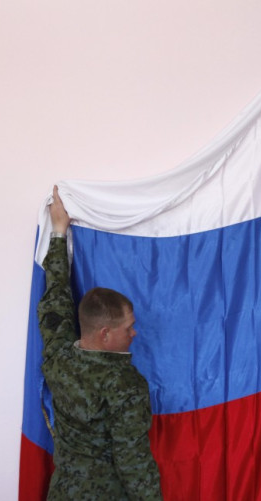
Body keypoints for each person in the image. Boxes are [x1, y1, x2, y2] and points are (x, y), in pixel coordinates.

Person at [38, 186, 163, 500]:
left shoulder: (58, 358)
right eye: (129, 327)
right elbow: (133, 462)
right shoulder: (125, 385)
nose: (134, 334)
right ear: (105, 333)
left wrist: (58, 233)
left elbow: (55, 301)